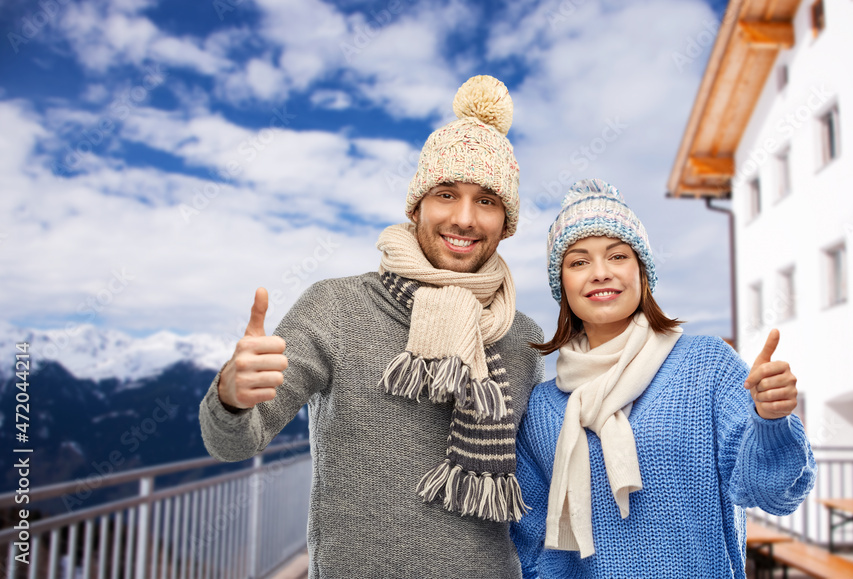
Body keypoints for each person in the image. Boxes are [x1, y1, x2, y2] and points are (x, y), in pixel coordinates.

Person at [199, 75, 545, 579]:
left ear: (506, 222)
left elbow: (542, 483)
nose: (465, 218)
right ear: (417, 206)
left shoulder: (521, 337)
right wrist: (231, 397)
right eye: (446, 194)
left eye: (487, 200)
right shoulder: (336, 306)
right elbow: (235, 443)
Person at [510, 178, 816, 578]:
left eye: (617, 256)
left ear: (643, 271)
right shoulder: (543, 410)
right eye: (579, 261)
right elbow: (533, 546)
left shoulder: (708, 366)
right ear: (562, 285)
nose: (600, 273)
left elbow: (773, 494)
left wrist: (772, 420)